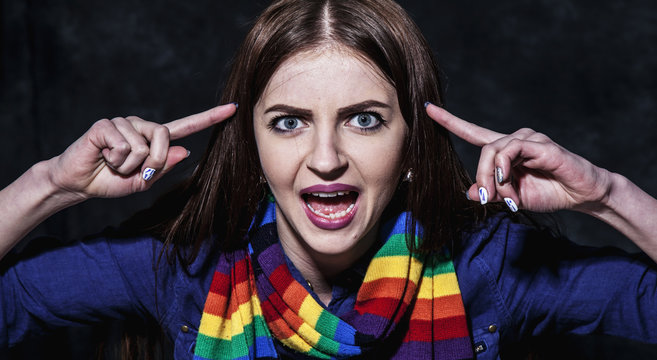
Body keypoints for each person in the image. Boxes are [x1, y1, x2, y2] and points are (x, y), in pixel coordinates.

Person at [1, 0, 656, 359]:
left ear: (408, 147)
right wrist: (50, 186)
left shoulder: (489, 269)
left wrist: (609, 197)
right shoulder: (182, 268)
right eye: (287, 123)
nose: (324, 158)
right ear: (253, 146)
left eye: (364, 120)